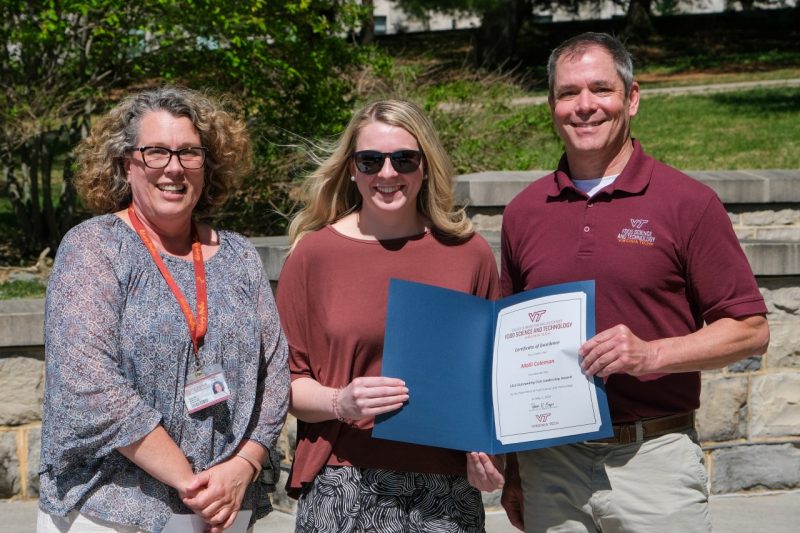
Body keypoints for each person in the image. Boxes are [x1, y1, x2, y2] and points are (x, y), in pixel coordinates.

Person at [469, 32, 770, 532]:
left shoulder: (687, 203)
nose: (584, 106)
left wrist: (650, 355)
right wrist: (517, 466)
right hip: (552, 466)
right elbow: (515, 351)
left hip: (652, 461)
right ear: (551, 106)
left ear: (631, 98)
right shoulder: (525, 212)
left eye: (600, 90)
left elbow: (749, 329)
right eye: (568, 93)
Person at [38, 86, 290, 533]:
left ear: (207, 166)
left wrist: (245, 465)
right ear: (125, 164)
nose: (173, 168)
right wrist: (193, 484)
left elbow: (274, 373)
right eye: (156, 152)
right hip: (111, 509)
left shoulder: (240, 256)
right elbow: (88, 385)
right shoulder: (94, 248)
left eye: (189, 153)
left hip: (225, 506)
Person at [276, 99, 501, 532]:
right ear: (351, 169)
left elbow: (491, 378)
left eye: (404, 159)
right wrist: (340, 402)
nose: (387, 173)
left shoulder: (468, 254)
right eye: (370, 160)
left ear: (425, 165)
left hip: (447, 488)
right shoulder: (314, 256)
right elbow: (281, 384)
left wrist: (489, 455)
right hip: (345, 482)